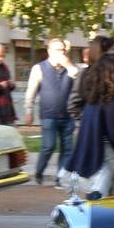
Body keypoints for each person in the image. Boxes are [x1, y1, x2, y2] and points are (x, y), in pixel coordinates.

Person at [65, 53, 114, 200]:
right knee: (109, 199)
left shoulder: (93, 100)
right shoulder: (111, 103)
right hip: (109, 156)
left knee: (100, 198)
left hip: (94, 157)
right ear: (113, 74)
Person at [24, 38, 78, 186]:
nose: (62, 53)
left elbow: (79, 80)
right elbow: (31, 92)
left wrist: (68, 65)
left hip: (67, 116)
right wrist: (29, 111)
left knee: (67, 149)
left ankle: (60, 178)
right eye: (58, 50)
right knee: (49, 146)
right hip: (48, 115)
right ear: (49, 51)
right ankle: (39, 172)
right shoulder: (39, 68)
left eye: (63, 50)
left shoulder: (70, 68)